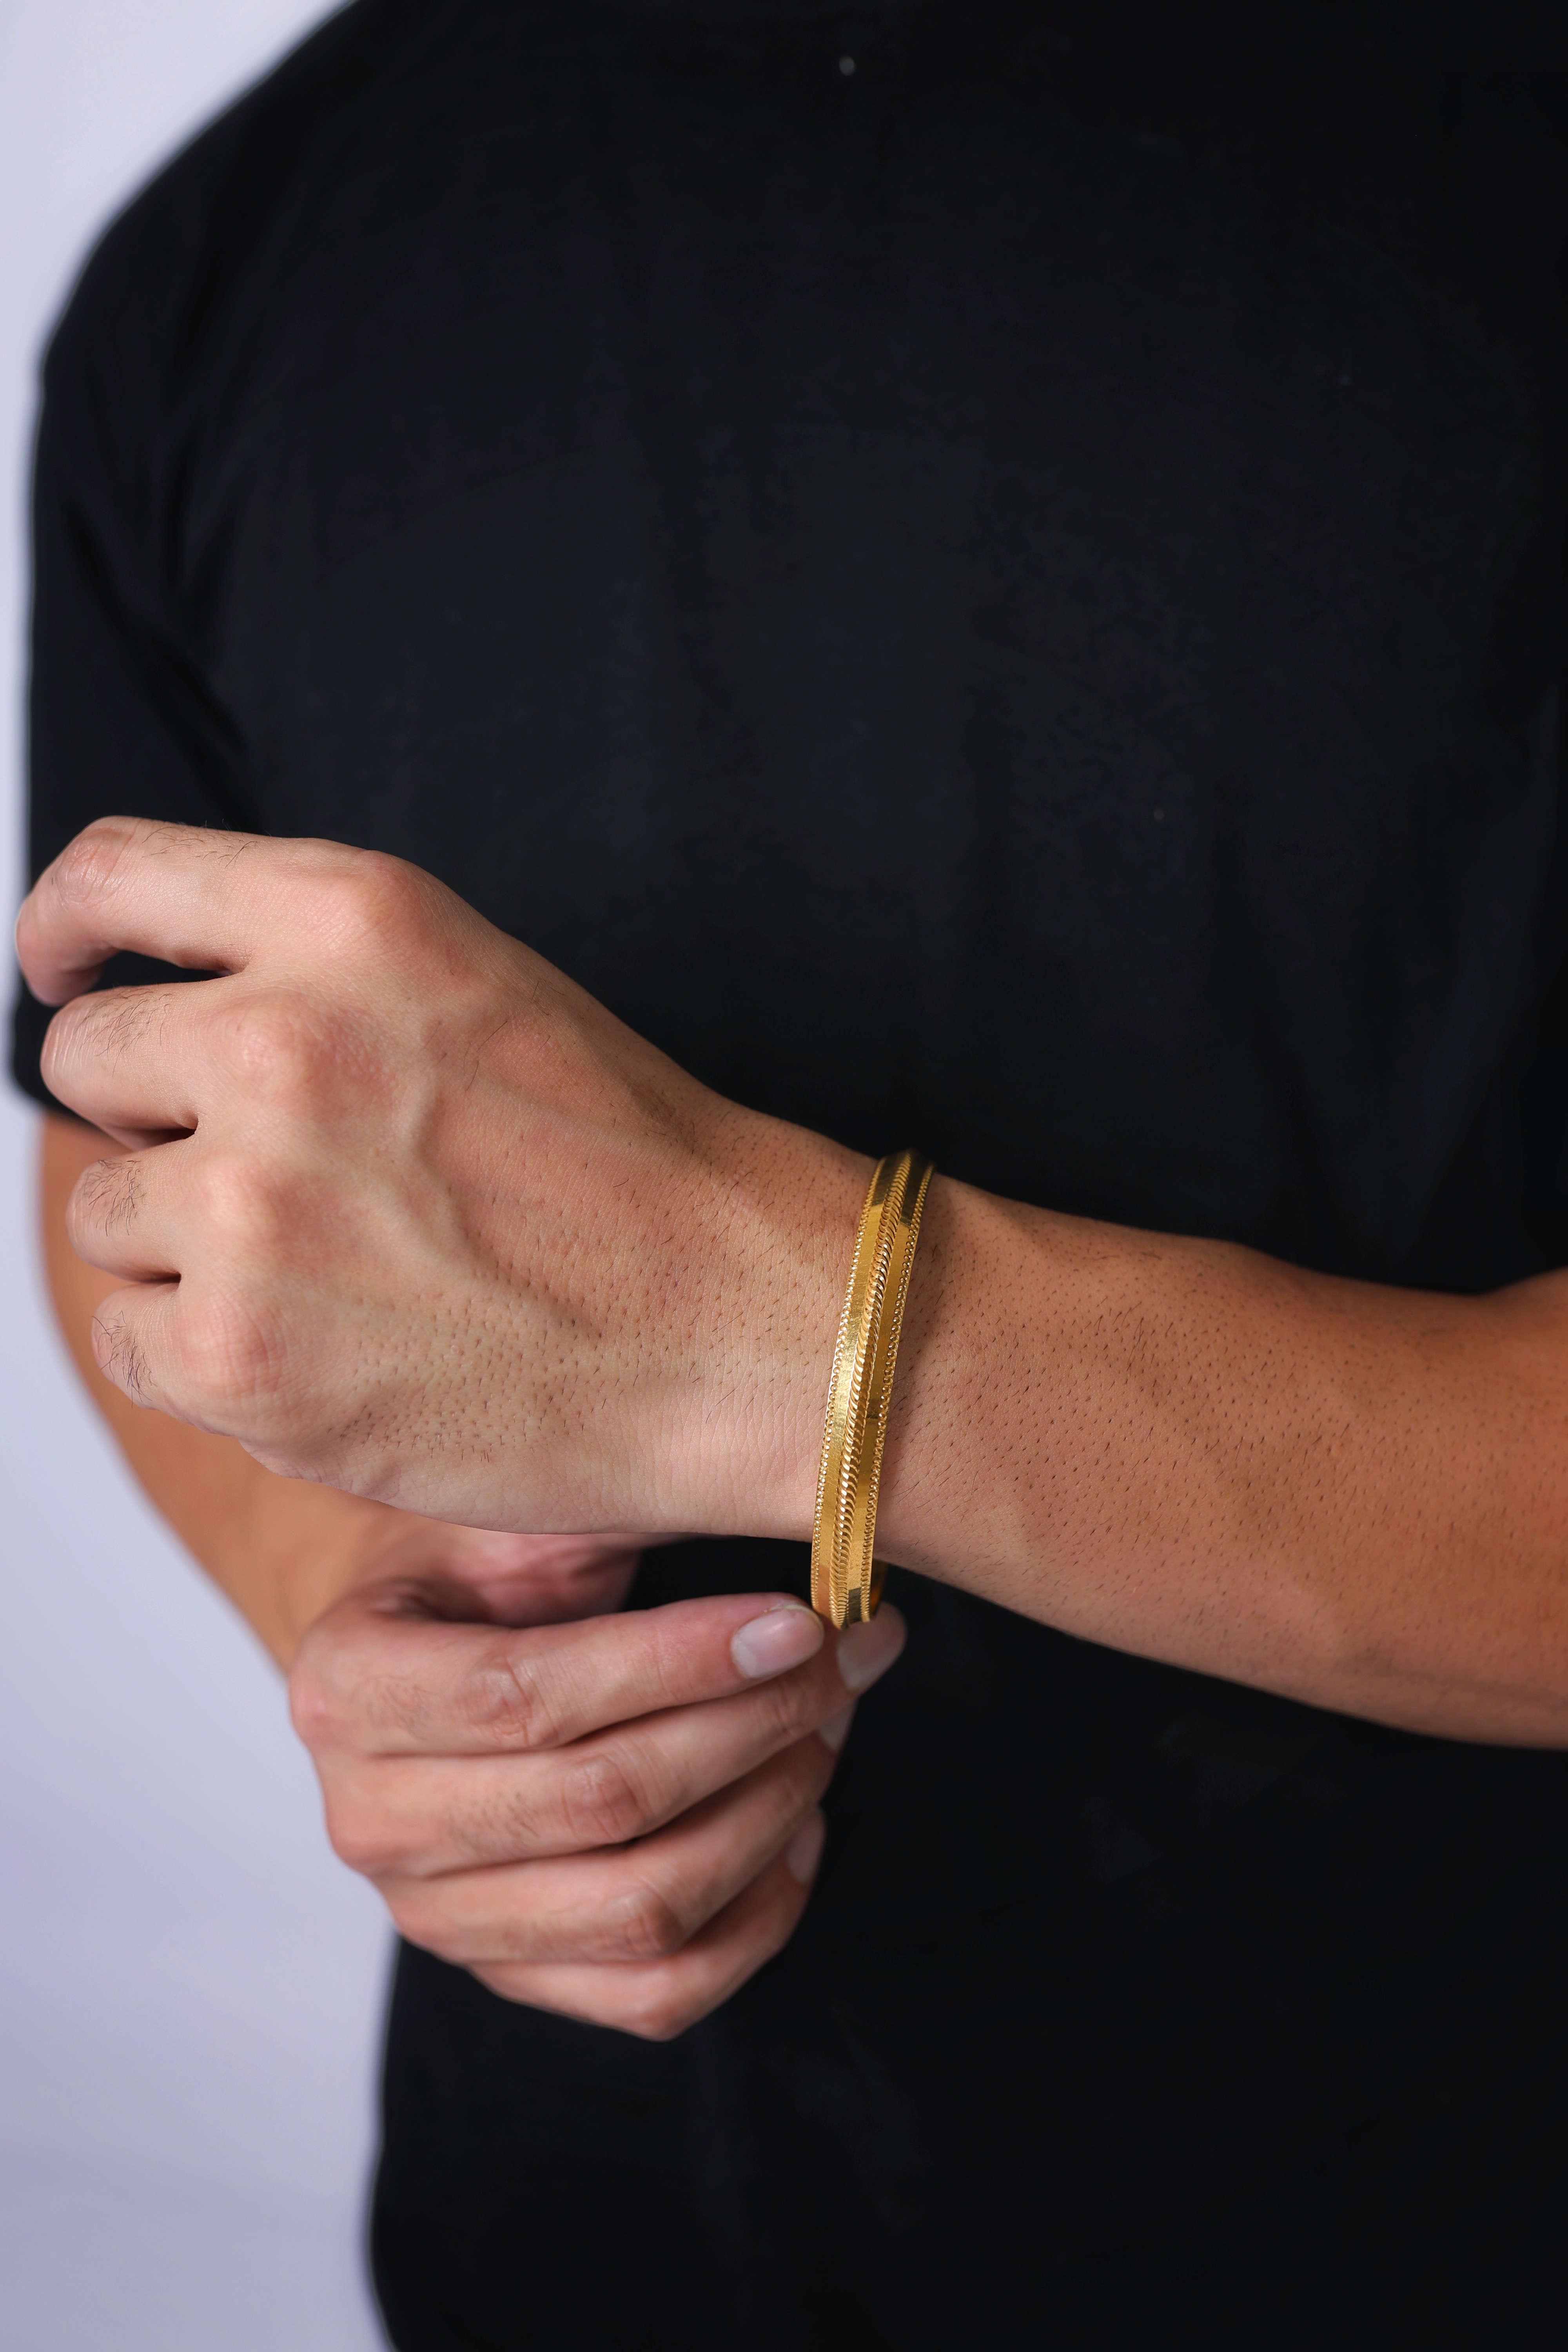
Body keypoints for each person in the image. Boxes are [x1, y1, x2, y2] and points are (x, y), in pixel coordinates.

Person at [13, 0, 1568, 2343]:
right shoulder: (230, 253)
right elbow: (136, 1162)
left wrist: (792, 1334)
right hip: (562, 2247)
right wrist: (376, 1603)